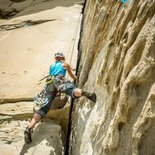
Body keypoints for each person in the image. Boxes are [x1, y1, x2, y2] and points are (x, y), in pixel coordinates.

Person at [24, 52, 96, 143]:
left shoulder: (51, 66)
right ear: (62, 58)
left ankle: (29, 127)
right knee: (72, 91)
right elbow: (73, 76)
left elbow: (52, 78)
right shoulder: (64, 64)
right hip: (59, 80)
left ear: (56, 58)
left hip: (49, 85)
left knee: (42, 109)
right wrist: (75, 78)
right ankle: (86, 94)